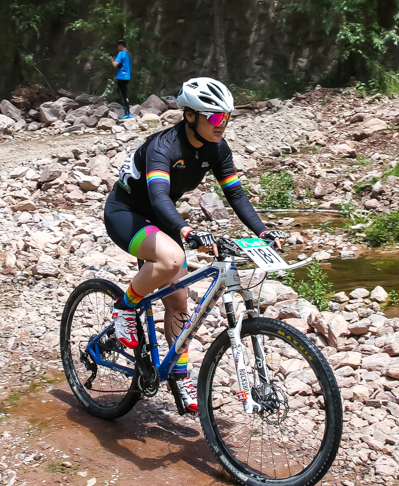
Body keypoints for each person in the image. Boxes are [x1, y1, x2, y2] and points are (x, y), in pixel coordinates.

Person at [104, 77, 287, 416]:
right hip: (127, 212)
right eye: (215, 118)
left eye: (226, 118)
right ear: (190, 116)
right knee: (173, 258)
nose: (222, 125)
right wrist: (187, 231)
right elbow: (158, 196)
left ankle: (179, 374)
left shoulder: (217, 148)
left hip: (161, 217)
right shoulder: (163, 147)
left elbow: (235, 194)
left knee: (178, 299)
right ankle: (125, 307)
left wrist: (263, 231)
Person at [112, 39, 132, 119]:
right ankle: (125, 106)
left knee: (123, 95)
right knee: (124, 93)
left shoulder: (121, 53)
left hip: (121, 76)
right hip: (127, 76)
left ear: (120, 46)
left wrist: (112, 61)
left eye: (118, 46)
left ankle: (127, 113)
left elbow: (115, 65)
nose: (117, 48)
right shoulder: (129, 54)